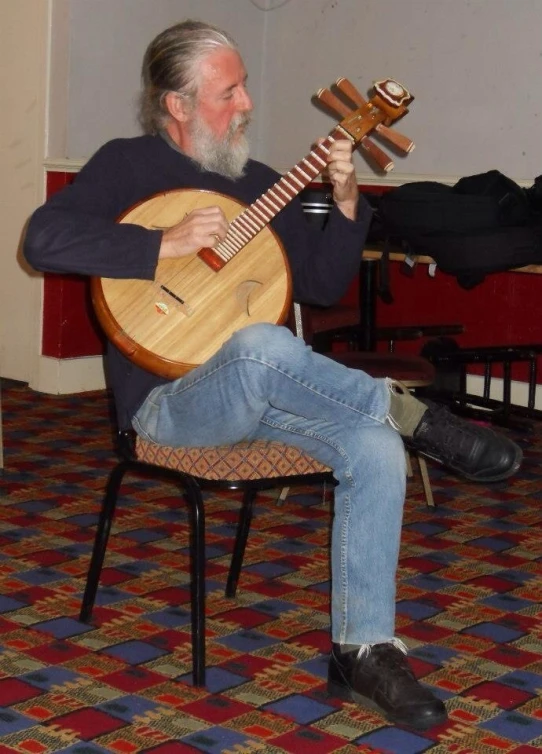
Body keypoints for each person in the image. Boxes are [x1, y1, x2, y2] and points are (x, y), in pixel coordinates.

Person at [23, 20, 522, 731]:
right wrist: (158, 242)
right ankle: (413, 414)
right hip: (165, 403)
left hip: (259, 391)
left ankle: (364, 650)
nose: (249, 103)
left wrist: (349, 202)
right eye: (230, 92)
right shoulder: (126, 165)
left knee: (373, 448)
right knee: (263, 343)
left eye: (245, 86)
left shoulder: (260, 185)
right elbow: (42, 239)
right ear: (178, 103)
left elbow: (317, 283)